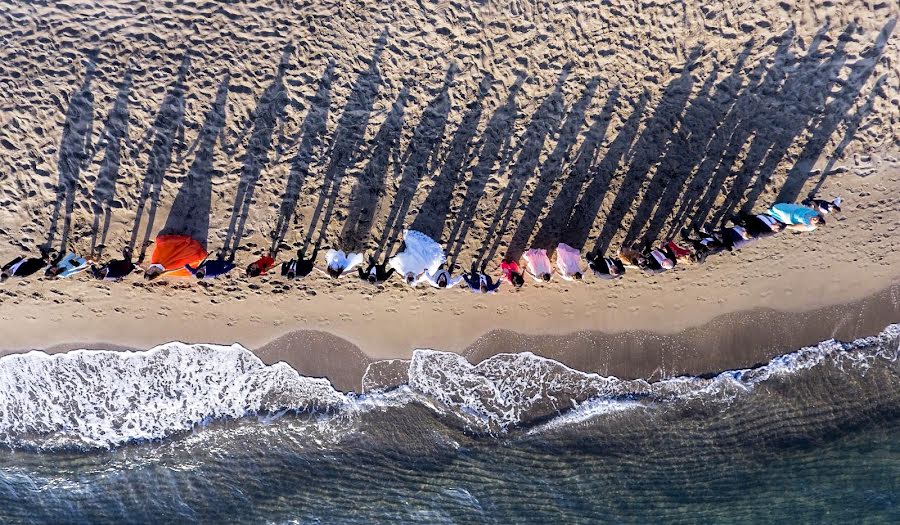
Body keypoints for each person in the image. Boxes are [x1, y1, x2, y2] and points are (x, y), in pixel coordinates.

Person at [143, 235, 208, 280]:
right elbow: (176, 267)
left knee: (162, 243)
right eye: (150, 272)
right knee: (190, 254)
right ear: (153, 274)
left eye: (148, 271)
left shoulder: (153, 266)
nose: (150, 270)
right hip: (171, 262)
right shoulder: (161, 270)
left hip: (166, 258)